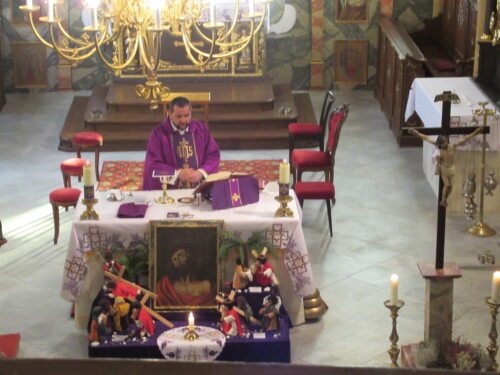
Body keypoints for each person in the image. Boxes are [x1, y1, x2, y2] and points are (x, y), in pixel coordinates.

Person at [143, 96, 220, 190]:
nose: (183, 120)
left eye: (187, 115)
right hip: (171, 190)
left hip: (199, 187)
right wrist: (177, 173)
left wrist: (201, 172)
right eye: (179, 116)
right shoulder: (158, 134)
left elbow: (213, 155)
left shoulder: (201, 130)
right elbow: (153, 164)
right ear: (169, 114)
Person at [409, 127, 483, 207]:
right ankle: (443, 200)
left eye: (446, 142)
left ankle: (444, 200)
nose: (445, 144)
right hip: (444, 169)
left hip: (452, 169)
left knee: (451, 187)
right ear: (440, 144)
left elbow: (465, 139)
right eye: (443, 143)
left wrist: (476, 132)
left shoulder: (452, 146)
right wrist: (416, 133)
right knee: (447, 185)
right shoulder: (438, 146)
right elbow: (426, 138)